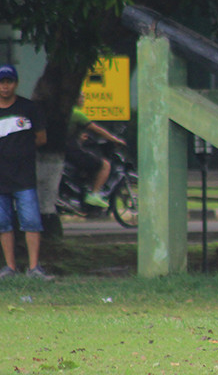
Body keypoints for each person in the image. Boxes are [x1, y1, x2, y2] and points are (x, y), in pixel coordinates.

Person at [0, 64, 54, 280]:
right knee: (3, 224)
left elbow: (41, 138)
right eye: (1, 82)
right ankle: (10, 267)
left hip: (24, 177)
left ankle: (34, 268)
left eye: (9, 82)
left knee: (31, 221)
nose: (5, 87)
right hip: (0, 178)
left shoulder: (28, 108)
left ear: (16, 84)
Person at [64, 94, 127, 208]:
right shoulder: (77, 113)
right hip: (71, 150)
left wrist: (79, 137)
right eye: (81, 97)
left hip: (63, 150)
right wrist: (115, 139)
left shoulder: (65, 113)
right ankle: (94, 194)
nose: (83, 100)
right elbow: (97, 129)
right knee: (104, 165)